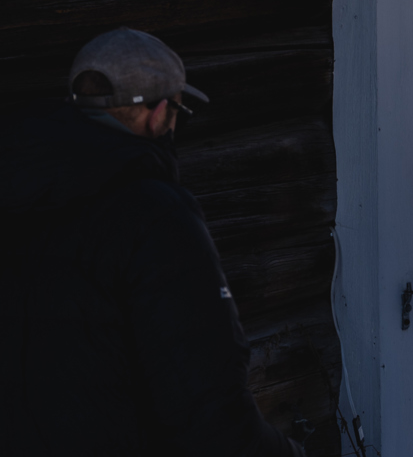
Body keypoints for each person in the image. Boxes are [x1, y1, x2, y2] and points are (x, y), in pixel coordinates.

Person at [0, 27, 304, 457]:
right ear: (159, 115)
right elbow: (206, 402)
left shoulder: (15, 186)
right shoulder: (154, 216)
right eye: (178, 110)